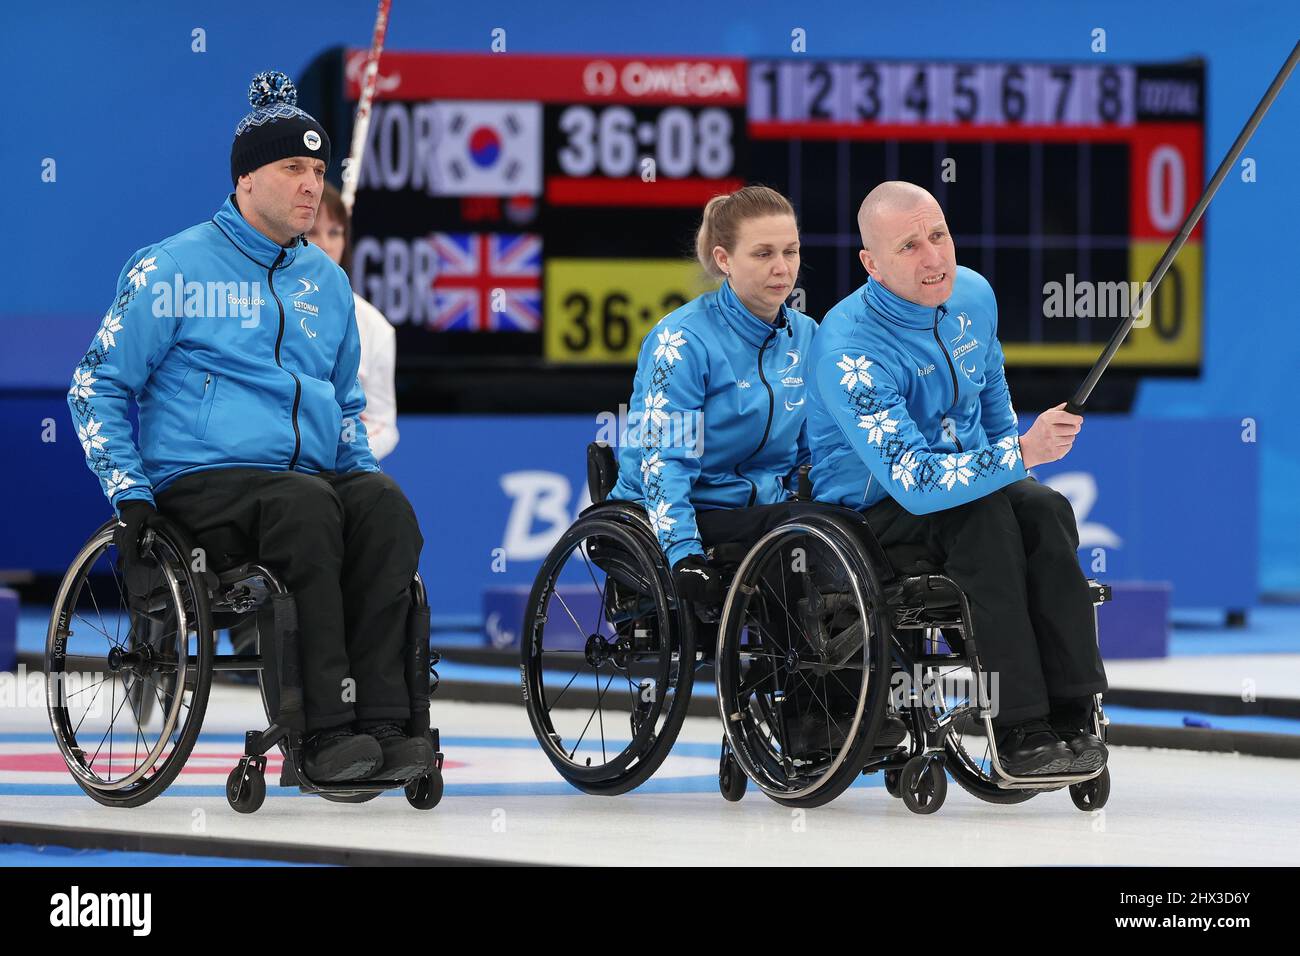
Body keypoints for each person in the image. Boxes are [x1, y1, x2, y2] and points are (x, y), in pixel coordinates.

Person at [66, 70, 430, 785]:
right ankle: (321, 732)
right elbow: (96, 385)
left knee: (383, 507)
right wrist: (128, 492)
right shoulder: (172, 267)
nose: (311, 185)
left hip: (305, 482)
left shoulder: (328, 283)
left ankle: (386, 722)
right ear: (246, 179)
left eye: (319, 171)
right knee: (306, 507)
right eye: (293, 168)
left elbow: (343, 408)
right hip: (201, 482)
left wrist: (361, 473)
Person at [806, 181, 1109, 776]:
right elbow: (915, 482)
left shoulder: (973, 294)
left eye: (938, 235)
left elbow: (991, 396)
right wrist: (1019, 453)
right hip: (873, 511)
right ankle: (1019, 727)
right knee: (986, 520)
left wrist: (1016, 461)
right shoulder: (847, 348)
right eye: (909, 246)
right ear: (871, 264)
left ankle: (1074, 713)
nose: (934, 257)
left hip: (969, 488)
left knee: (1044, 510)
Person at [606, 184, 907, 751]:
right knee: (798, 532)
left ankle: (861, 704)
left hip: (765, 512)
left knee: (844, 525)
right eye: (763, 253)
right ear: (724, 259)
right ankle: (812, 716)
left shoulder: (809, 338)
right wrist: (683, 553)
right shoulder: (680, 342)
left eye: (790, 252)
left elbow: (820, 449)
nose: (782, 268)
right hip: (675, 514)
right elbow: (662, 462)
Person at [306, 182, 399, 460]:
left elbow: (383, 425)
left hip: (341, 469)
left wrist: (345, 453)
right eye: (312, 232)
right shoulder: (263, 307)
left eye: (335, 232)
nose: (325, 245)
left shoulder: (375, 327)